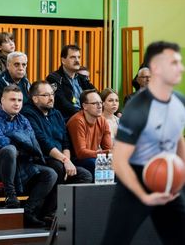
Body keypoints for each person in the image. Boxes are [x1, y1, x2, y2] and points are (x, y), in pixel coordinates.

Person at [101, 41, 185, 245]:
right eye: (173, 63)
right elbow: (119, 161)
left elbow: (177, 139)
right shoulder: (137, 108)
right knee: (115, 241)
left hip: (168, 178)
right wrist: (144, 196)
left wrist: (180, 178)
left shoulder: (179, 101)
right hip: (135, 180)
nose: (180, 68)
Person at [0, 85, 57, 227]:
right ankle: (11, 196)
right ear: (2, 101)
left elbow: (34, 147)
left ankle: (29, 211)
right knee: (9, 150)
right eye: (12, 99)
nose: (17, 103)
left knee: (50, 174)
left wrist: (21, 148)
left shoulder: (24, 120)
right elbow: (1, 142)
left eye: (20, 100)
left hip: (21, 165)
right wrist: (20, 145)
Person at [23, 80, 93, 187]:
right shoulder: (27, 113)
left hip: (61, 159)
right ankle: (55, 198)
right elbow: (42, 141)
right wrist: (64, 160)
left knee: (85, 175)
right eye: (46, 95)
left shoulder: (56, 114)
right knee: (58, 168)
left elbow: (66, 141)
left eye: (52, 94)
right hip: (42, 159)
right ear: (35, 98)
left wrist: (67, 160)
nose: (51, 98)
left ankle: (66, 198)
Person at [66, 89, 112, 176]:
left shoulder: (102, 121)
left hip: (93, 157)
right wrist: (105, 153)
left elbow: (108, 148)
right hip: (75, 161)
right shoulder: (77, 121)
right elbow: (81, 153)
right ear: (85, 106)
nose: (100, 106)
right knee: (95, 163)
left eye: (100, 103)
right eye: (95, 103)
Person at [46, 44, 95, 121]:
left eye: (78, 57)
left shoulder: (82, 79)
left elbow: (96, 94)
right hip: (67, 119)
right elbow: (62, 103)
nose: (77, 60)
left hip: (86, 117)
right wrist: (83, 114)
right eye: (73, 57)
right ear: (63, 60)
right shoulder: (54, 78)